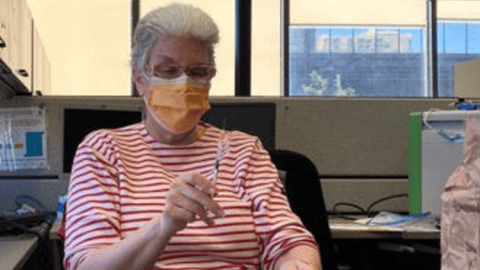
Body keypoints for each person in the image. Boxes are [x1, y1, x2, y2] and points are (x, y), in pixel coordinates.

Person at [63, 3, 321, 270]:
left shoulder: (243, 150)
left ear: (210, 79)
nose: (183, 83)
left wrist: (298, 264)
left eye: (197, 72)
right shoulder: (103, 151)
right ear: (139, 77)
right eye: (168, 70)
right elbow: (86, 265)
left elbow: (289, 241)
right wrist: (165, 225)